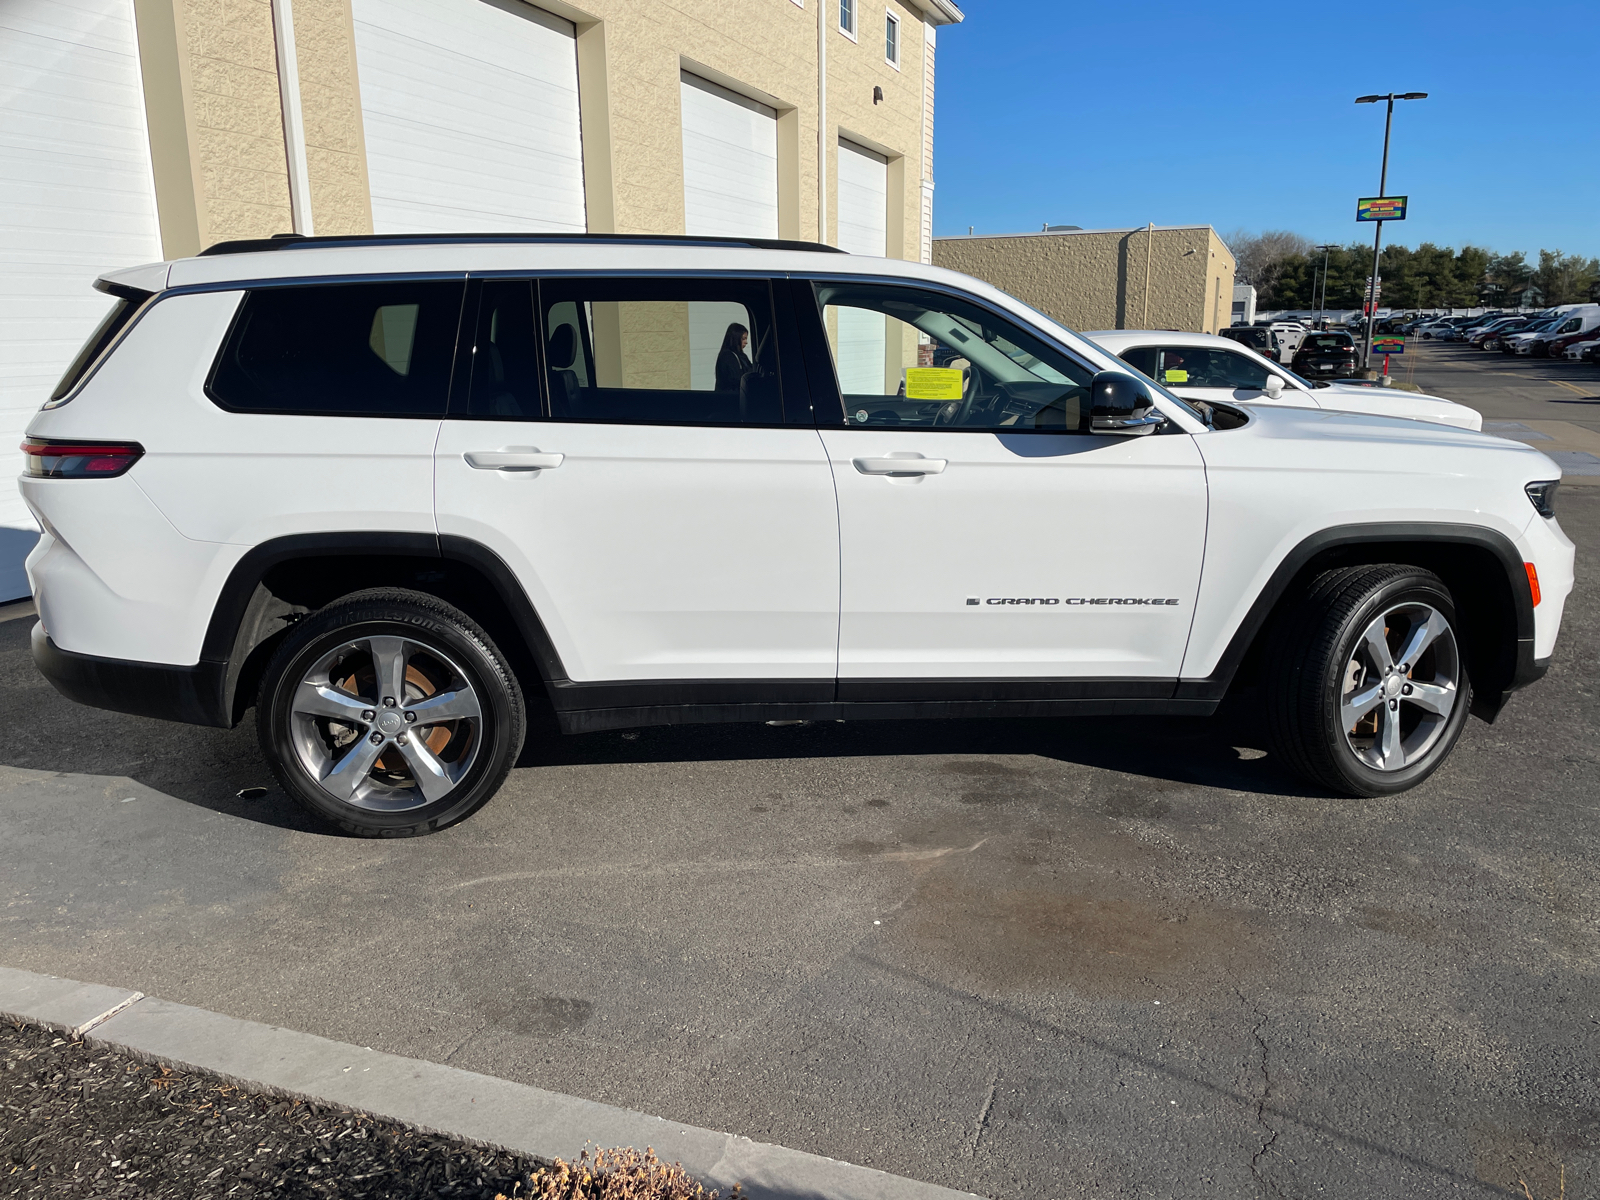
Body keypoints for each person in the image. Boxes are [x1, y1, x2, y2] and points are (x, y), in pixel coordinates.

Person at [714, 323, 754, 393]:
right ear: (736, 338)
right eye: (743, 339)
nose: (746, 342)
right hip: (729, 397)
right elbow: (736, 379)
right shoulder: (727, 357)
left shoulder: (742, 356)